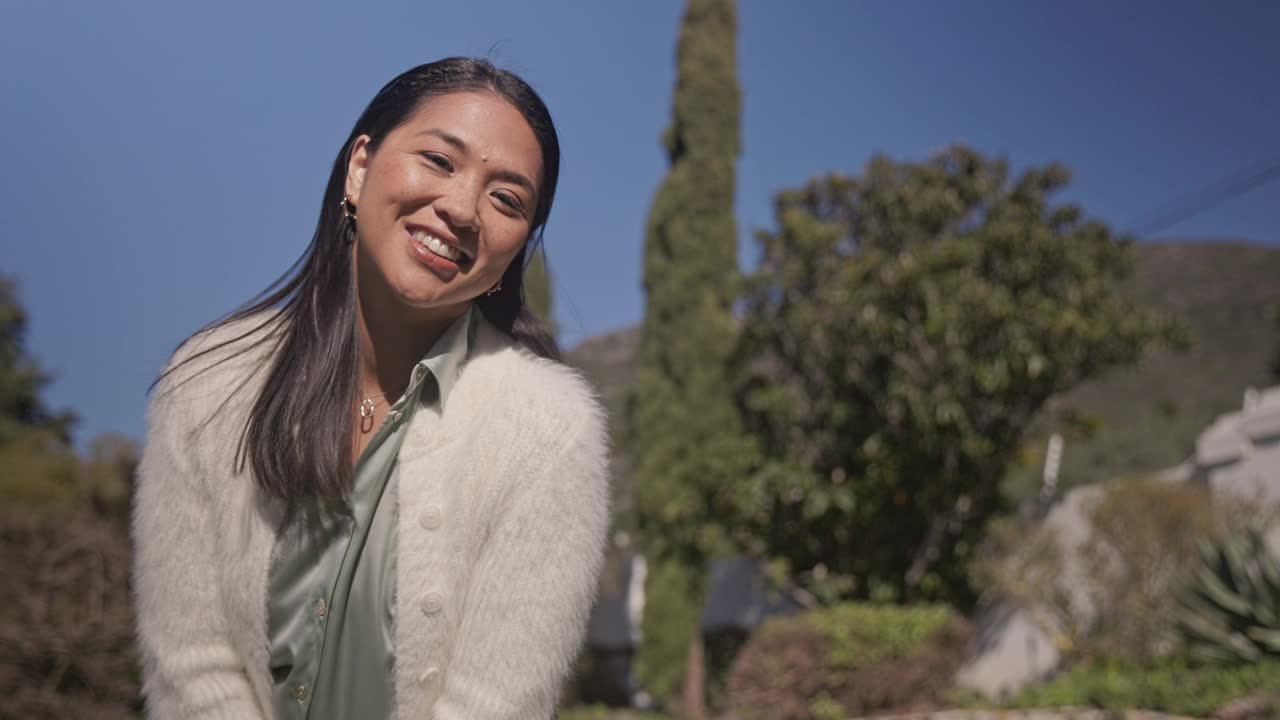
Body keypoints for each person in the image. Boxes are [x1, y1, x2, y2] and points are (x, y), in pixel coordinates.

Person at [132, 57, 610, 720]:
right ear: (360, 167)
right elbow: (192, 667)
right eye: (439, 161)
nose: (462, 209)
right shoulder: (206, 387)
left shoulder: (550, 430)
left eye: (506, 199)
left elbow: (496, 704)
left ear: (518, 247)